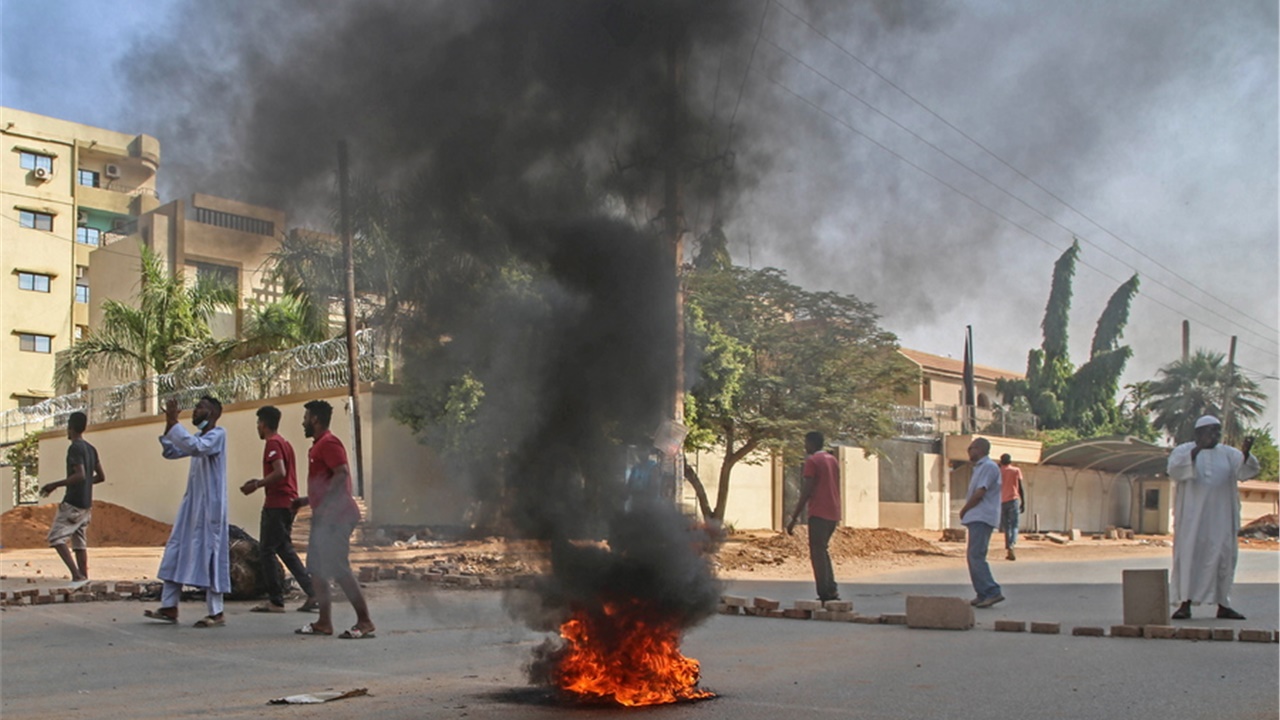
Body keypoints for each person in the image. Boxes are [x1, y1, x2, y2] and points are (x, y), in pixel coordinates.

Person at [145, 396, 231, 628]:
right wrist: (169, 422)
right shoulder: (197, 436)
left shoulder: (217, 435)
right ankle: (169, 606)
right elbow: (171, 452)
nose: (195, 411)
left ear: (212, 413)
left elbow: (197, 449)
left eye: (200, 408)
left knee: (210, 554)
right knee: (176, 548)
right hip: (192, 505)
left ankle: (216, 612)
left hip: (210, 508)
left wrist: (174, 422)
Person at [293, 400, 375, 639]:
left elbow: (342, 474)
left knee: (338, 568)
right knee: (317, 569)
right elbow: (326, 483)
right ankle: (324, 622)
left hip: (337, 517)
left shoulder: (329, 443)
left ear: (315, 420)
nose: (303, 422)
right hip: (325, 517)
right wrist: (306, 501)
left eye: (306, 417)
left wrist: (326, 504)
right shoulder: (319, 445)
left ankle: (365, 621)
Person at [1168, 415, 1258, 620]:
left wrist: (1246, 454)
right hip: (1192, 521)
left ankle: (1223, 605)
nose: (1215, 435)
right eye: (1210, 431)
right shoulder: (1184, 451)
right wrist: (1199, 448)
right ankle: (1185, 604)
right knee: (1190, 558)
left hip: (1222, 519)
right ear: (1198, 433)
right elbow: (1175, 470)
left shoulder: (1228, 453)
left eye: (1218, 431)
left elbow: (1246, 471)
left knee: (1223, 559)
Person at [239, 405, 317, 613]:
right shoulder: (285, 443)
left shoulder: (273, 443)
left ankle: (276, 600)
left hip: (276, 504)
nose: (257, 427)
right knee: (285, 550)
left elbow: (280, 472)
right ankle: (312, 592)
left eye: (258, 423)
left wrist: (257, 485)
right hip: (287, 503)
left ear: (263, 424)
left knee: (266, 551)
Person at [40, 411, 106, 587]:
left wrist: (54, 484)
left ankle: (77, 576)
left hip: (73, 503)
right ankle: (84, 577)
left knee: (56, 538)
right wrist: (85, 484)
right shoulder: (91, 449)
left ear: (70, 427)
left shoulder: (75, 448)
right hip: (86, 505)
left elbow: (80, 475)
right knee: (79, 541)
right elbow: (100, 477)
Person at [786, 431, 841, 603]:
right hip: (834, 513)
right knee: (823, 550)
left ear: (812, 443)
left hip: (819, 512)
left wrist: (794, 517)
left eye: (806, 443)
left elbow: (807, 490)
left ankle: (824, 592)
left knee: (817, 552)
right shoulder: (833, 460)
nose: (804, 446)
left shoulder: (812, 461)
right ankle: (831, 589)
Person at [960, 437, 1004, 608]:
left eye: (970, 449)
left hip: (981, 516)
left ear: (979, 449)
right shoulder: (980, 468)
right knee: (974, 556)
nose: (969, 452)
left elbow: (980, 493)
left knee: (976, 555)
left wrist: (965, 509)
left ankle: (991, 591)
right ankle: (982, 593)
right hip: (978, 516)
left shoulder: (988, 467)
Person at [998, 453, 1027, 560]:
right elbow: (1020, 487)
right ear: (1010, 461)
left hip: (1002, 501)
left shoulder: (999, 472)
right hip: (1013, 499)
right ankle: (1012, 544)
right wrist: (1023, 502)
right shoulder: (1016, 470)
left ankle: (1007, 546)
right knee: (1015, 525)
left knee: (1007, 526)